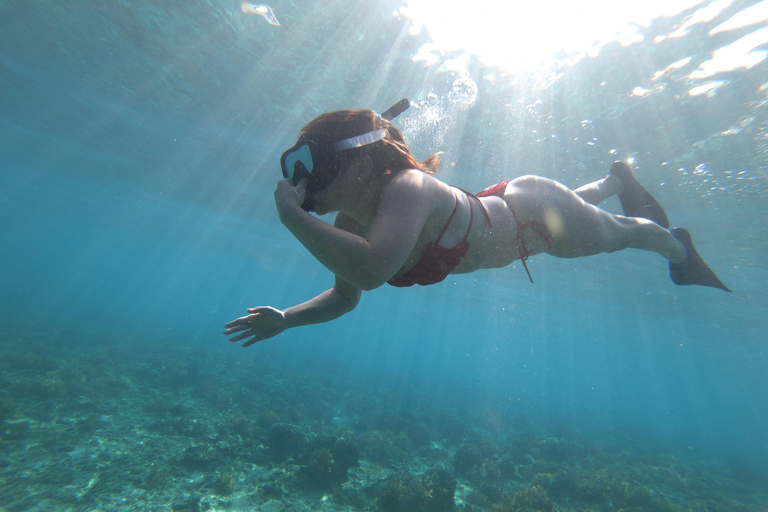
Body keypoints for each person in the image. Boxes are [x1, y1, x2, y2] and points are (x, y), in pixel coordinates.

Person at [224, 100, 730, 347]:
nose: (302, 183)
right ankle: (614, 182)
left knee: (619, 236)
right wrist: (286, 319)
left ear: (357, 160)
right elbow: (346, 295)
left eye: (309, 164)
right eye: (295, 172)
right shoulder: (349, 220)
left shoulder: (407, 187)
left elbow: (373, 270)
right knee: (584, 213)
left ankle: (678, 250)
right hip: (515, 206)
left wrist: (291, 216)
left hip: (533, 221)